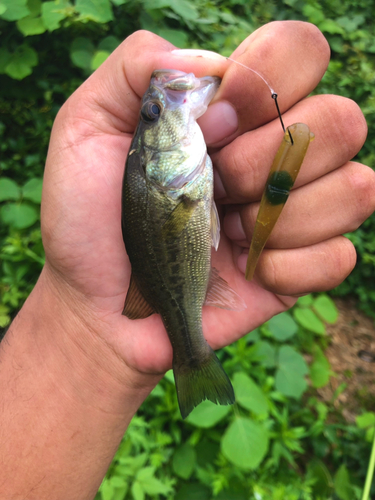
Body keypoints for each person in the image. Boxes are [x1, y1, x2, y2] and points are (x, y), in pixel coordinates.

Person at [0, 21, 374, 499]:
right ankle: (193, 357)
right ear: (148, 156)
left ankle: (190, 357)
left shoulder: (167, 172)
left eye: (150, 111)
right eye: (153, 112)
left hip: (183, 253)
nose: (159, 104)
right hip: (180, 262)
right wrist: (84, 334)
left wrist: (88, 348)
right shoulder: (158, 176)